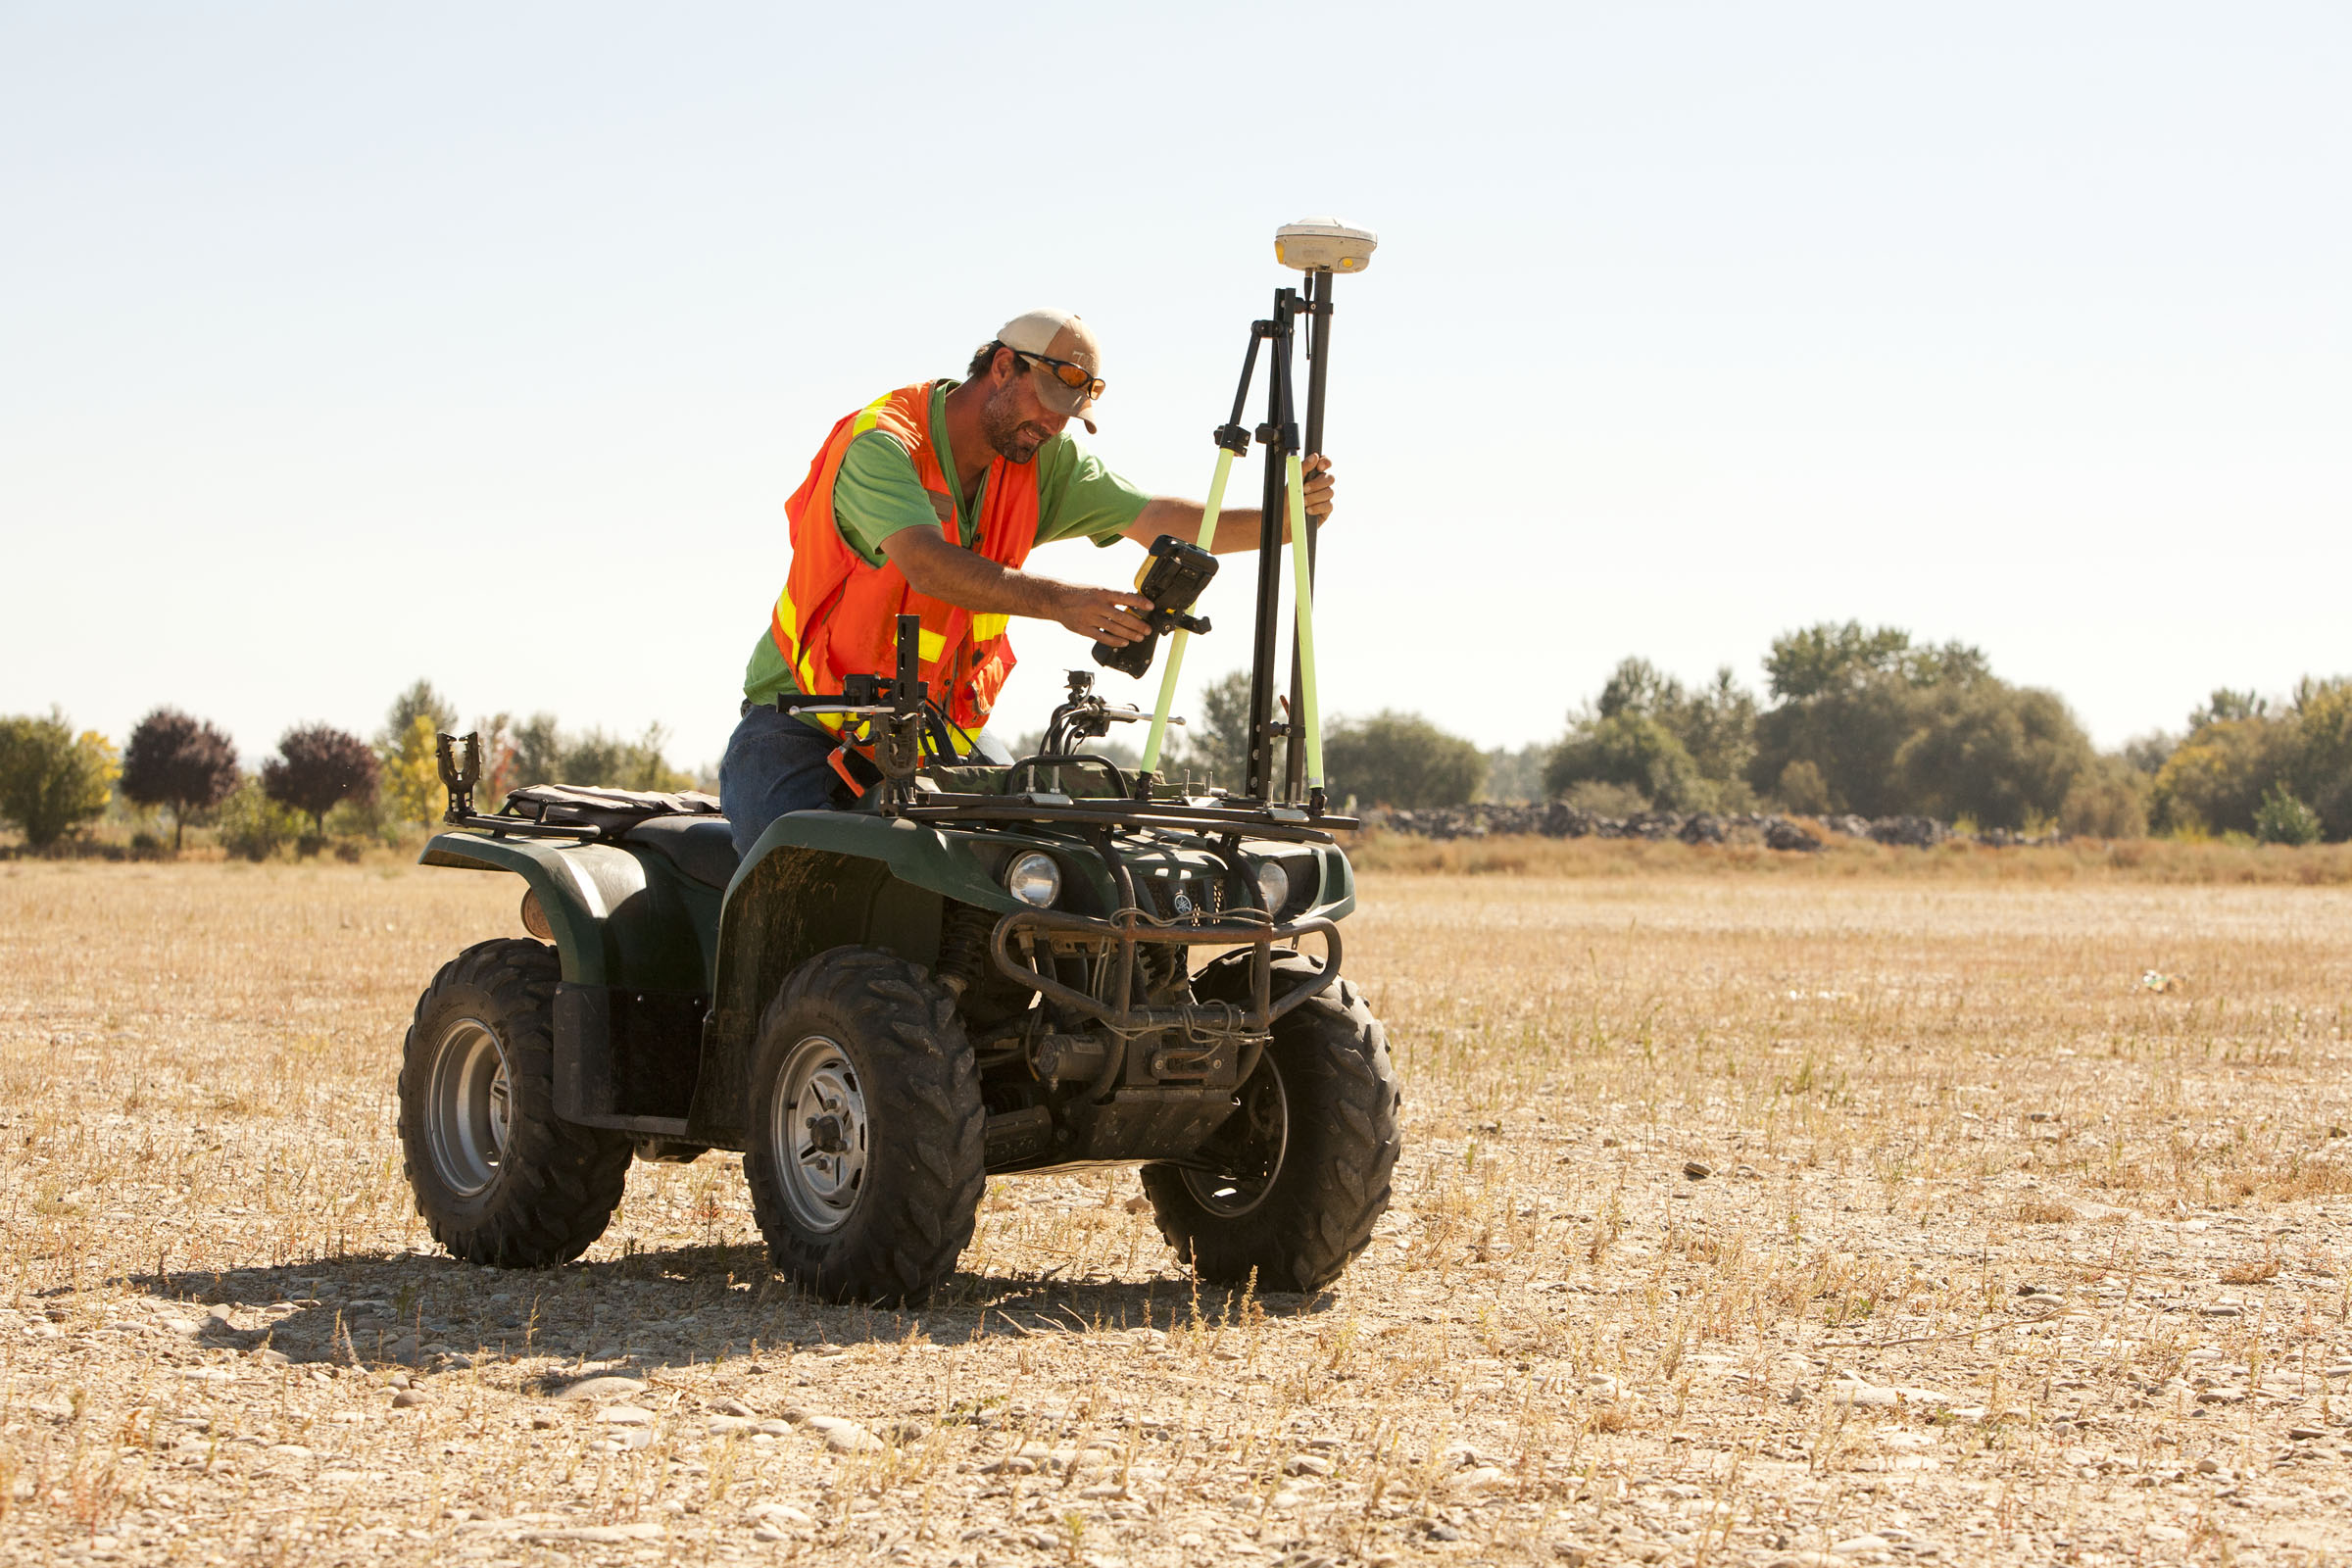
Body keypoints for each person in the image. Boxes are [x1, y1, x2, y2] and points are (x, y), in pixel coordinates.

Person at [719, 309, 1335, 855]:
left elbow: (1154, 518)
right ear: (1004, 366)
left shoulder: (1039, 460)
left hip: (933, 738)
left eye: (1069, 416)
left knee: (1043, 872)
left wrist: (1282, 518)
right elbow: (928, 566)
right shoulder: (882, 443)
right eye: (1046, 402)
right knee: (792, 898)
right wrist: (1063, 601)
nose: (1053, 427)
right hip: (802, 725)